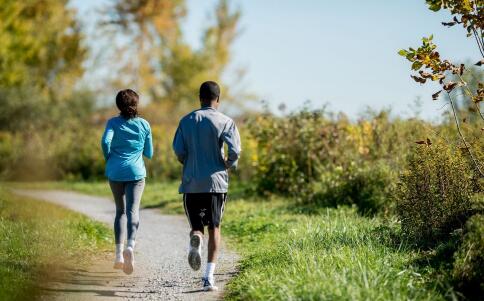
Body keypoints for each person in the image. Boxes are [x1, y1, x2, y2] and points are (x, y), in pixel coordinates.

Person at [173, 81, 242, 291]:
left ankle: (195, 238)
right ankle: (208, 278)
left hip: (191, 183)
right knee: (215, 228)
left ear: (199, 98)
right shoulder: (225, 121)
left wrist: (188, 162)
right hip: (216, 184)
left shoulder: (186, 120)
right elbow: (235, 151)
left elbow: (178, 150)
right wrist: (227, 164)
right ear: (218, 99)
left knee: (197, 227)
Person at [101, 89, 153, 275]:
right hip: (136, 173)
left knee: (120, 212)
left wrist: (109, 158)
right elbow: (149, 153)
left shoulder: (112, 123)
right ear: (136, 104)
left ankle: (118, 256)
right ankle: (130, 247)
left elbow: (105, 143)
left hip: (115, 172)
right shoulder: (144, 124)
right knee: (133, 211)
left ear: (118, 105)